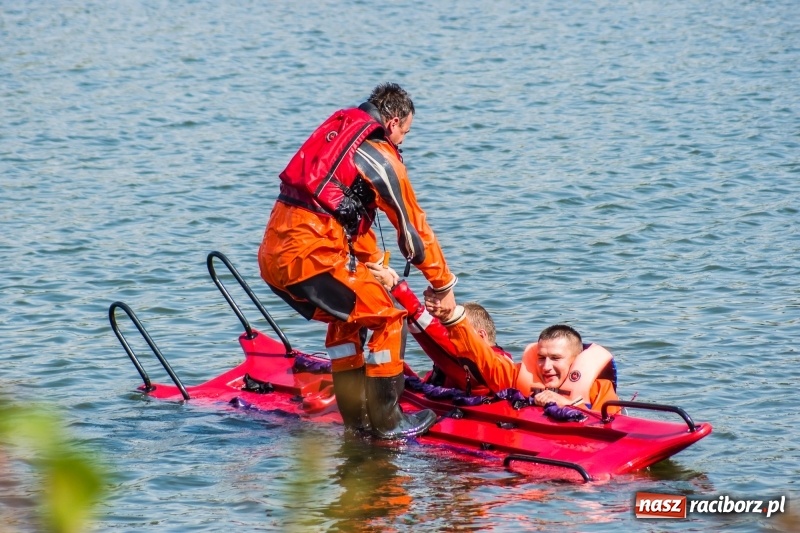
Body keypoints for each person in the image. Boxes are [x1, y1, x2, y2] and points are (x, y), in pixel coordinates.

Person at [259, 83, 458, 439]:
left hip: (275, 259)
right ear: (394, 122)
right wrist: (442, 284)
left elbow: (338, 216)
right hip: (312, 258)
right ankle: (388, 423)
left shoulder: (335, 138)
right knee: (387, 318)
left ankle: (357, 420)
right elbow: (413, 229)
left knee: (350, 319)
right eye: (406, 134)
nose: (402, 143)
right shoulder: (378, 154)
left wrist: (376, 264)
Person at [369, 264, 618, 411]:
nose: (546, 366)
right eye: (541, 358)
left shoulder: (599, 389)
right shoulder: (512, 376)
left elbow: (621, 429)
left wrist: (567, 405)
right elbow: (450, 345)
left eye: (555, 358)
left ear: (576, 361)